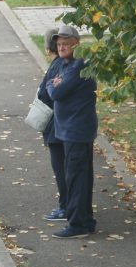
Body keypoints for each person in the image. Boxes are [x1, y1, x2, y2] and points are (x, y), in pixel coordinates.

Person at [46, 24, 98, 238]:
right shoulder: (66, 65)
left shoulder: (77, 67)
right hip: (73, 131)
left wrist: (52, 84)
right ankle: (85, 220)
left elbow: (55, 93)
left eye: (66, 43)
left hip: (76, 132)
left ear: (76, 44)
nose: (61, 47)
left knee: (76, 178)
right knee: (81, 177)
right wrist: (53, 83)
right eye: (59, 44)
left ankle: (77, 224)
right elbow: (53, 86)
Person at [36, 28, 68, 223]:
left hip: (56, 126)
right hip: (60, 125)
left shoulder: (56, 66)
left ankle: (65, 207)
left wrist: (46, 87)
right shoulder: (62, 65)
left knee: (60, 168)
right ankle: (66, 205)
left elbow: (44, 94)